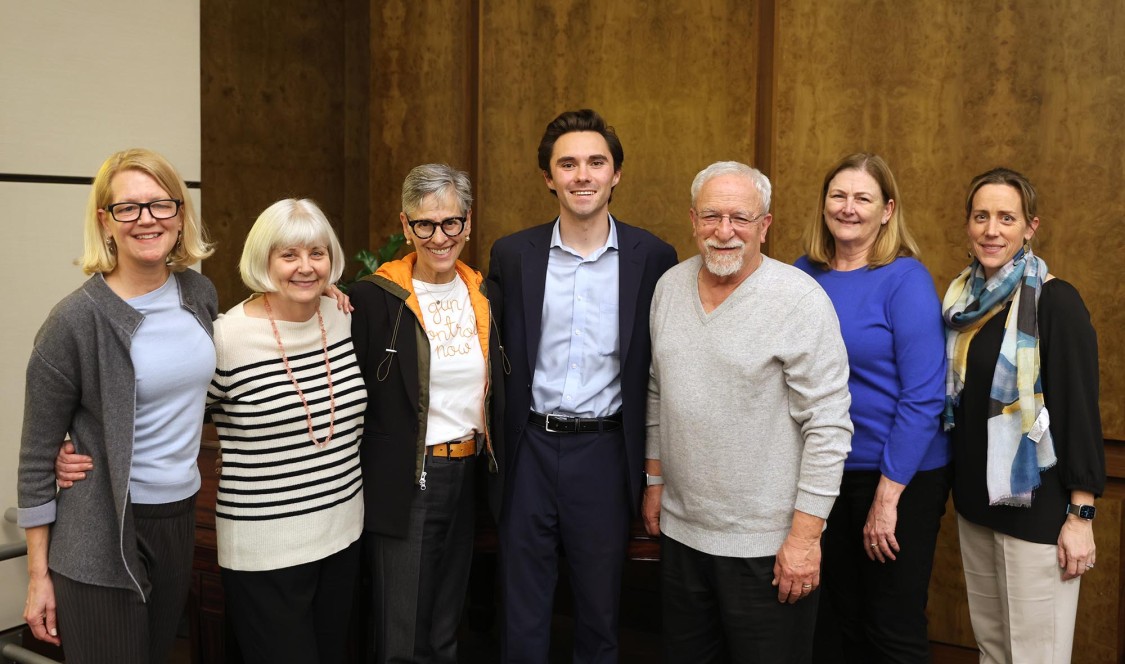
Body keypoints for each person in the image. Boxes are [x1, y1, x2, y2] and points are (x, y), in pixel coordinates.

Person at [643, 161, 853, 664]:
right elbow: (657, 390)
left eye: (740, 218)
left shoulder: (800, 300)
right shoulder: (668, 287)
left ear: (765, 225)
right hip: (681, 534)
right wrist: (654, 480)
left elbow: (829, 425)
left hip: (768, 547)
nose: (724, 231)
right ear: (693, 220)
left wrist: (804, 539)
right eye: (711, 216)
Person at [487, 109, 677, 662]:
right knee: (521, 617)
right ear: (549, 177)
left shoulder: (653, 258)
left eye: (596, 162)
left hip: (604, 453)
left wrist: (654, 474)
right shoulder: (512, 255)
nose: (583, 175)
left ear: (616, 173)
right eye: (567, 164)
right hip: (528, 449)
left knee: (599, 617)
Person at [17, 148, 217, 663]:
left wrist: (320, 297)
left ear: (180, 216)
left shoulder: (199, 293)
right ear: (106, 222)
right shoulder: (74, 321)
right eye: (128, 208)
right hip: (99, 532)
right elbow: (36, 459)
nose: (147, 219)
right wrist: (38, 577)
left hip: (178, 518)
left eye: (161, 204)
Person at [943, 167, 1104, 664]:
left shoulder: (1056, 301)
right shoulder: (962, 302)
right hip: (977, 508)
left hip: (1038, 515)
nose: (992, 230)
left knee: (1037, 656)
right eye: (981, 216)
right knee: (993, 652)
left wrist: (1081, 516)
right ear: (968, 224)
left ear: (1030, 227)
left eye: (1006, 218)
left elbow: (1079, 414)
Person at [794, 153, 950, 663]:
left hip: (898, 476)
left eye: (863, 198)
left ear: (887, 210)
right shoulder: (801, 274)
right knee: (831, 623)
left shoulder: (905, 279)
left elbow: (923, 396)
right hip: (823, 473)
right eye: (838, 195)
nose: (848, 208)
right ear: (823, 204)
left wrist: (887, 498)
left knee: (889, 628)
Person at [349, 163, 504, 663]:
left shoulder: (484, 293)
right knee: (402, 629)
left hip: (468, 472)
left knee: (445, 622)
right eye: (425, 224)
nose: (439, 237)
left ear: (468, 223)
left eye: (451, 222)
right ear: (405, 225)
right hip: (409, 477)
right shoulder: (374, 298)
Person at [204, 198, 367, 663]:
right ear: (264, 260)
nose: (305, 267)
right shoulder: (226, 338)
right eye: (289, 255)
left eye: (317, 253)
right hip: (265, 550)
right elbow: (175, 415)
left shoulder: (342, 316)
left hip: (342, 536)